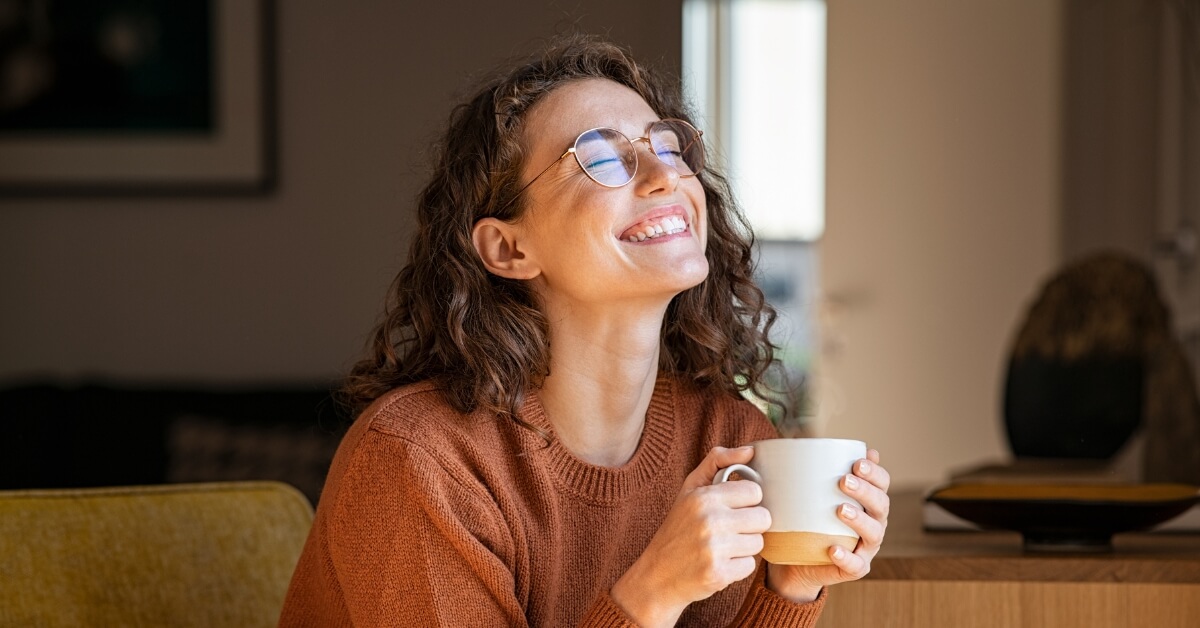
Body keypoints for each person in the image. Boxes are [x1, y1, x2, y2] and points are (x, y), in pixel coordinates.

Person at [279, 35, 890, 627]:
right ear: (509, 248)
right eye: (600, 157)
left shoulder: (728, 437)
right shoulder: (421, 462)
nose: (663, 175)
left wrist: (793, 584)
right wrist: (652, 594)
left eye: (668, 147)